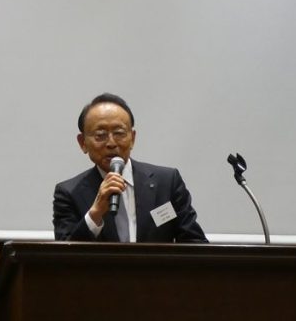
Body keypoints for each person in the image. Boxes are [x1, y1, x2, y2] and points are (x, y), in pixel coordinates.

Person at [53, 93, 207, 242]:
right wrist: (95, 214)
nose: (111, 143)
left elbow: (195, 244)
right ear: (83, 143)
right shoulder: (69, 193)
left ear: (132, 138)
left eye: (119, 133)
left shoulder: (167, 183)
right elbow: (64, 254)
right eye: (100, 135)